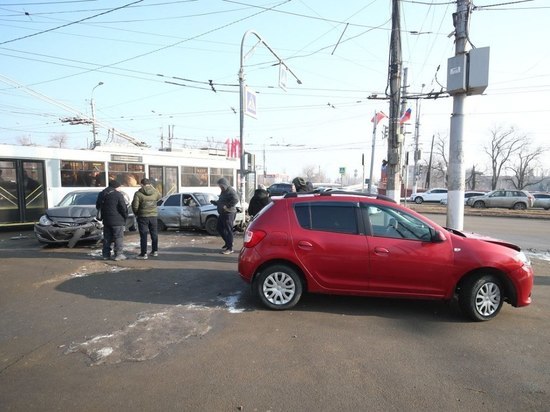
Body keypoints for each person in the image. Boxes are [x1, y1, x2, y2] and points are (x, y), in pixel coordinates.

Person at [96, 180, 128, 261]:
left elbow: (97, 206)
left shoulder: (102, 194)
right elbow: (123, 208)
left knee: (107, 237)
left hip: (106, 220)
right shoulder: (118, 195)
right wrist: (125, 216)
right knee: (118, 237)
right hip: (117, 220)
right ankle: (118, 254)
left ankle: (106, 255)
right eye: (119, 187)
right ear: (116, 187)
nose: (120, 188)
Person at [132, 178, 161, 260]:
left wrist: (137, 213)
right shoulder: (155, 192)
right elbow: (159, 197)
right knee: (154, 234)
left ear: (142, 184)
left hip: (143, 217)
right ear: (150, 184)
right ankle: (155, 251)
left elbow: (135, 206)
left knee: (143, 235)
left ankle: (143, 253)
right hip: (153, 216)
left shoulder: (138, 193)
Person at [212, 177, 239, 254]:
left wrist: (227, 206)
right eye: (219, 186)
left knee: (228, 229)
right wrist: (216, 202)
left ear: (225, 185)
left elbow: (236, 199)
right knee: (219, 228)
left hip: (229, 213)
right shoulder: (223, 191)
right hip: (223, 213)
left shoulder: (230, 191)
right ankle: (228, 242)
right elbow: (222, 201)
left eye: (221, 186)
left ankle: (230, 248)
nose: (220, 187)